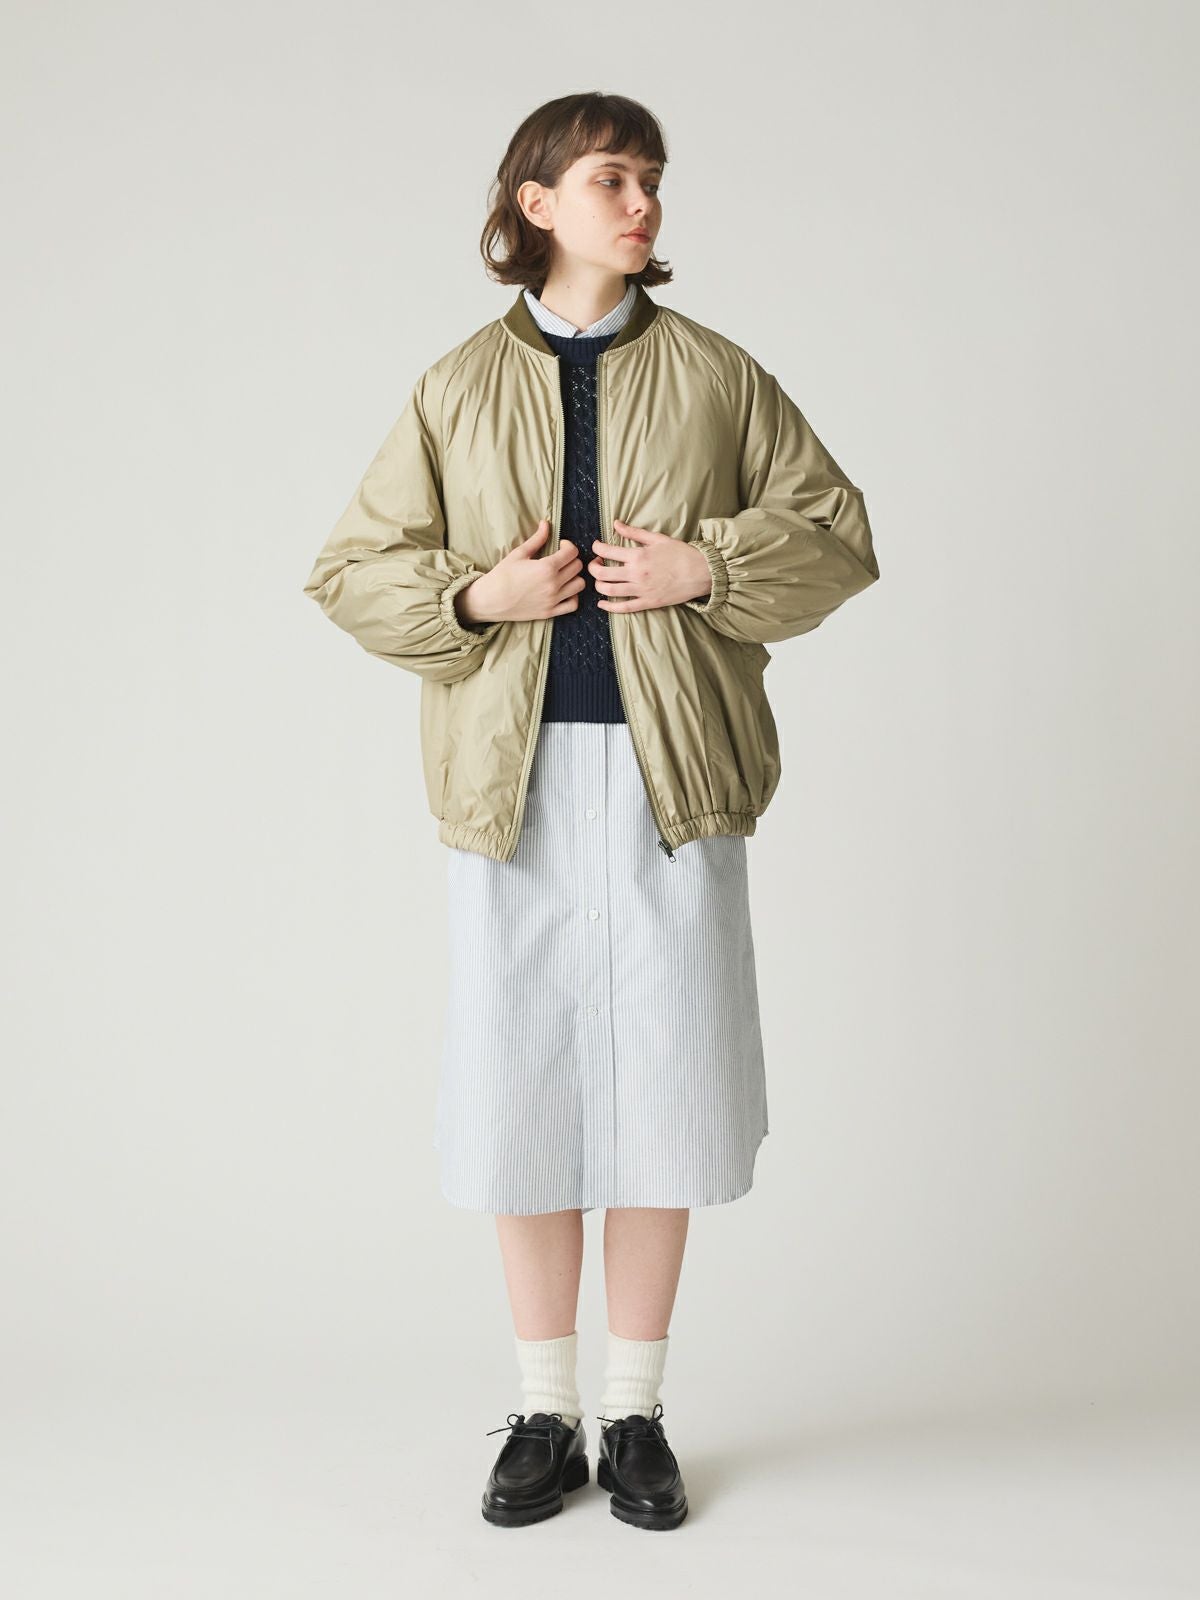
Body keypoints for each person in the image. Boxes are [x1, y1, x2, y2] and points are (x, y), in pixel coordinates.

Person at [302, 91, 879, 1531]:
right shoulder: (453, 387)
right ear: (537, 202)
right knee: (524, 1091)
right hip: (510, 791)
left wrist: (710, 570)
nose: (642, 203)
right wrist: (473, 597)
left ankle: (635, 1414)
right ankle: (542, 1413)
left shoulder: (718, 374)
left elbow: (836, 533)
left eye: (652, 179)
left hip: (676, 782)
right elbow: (350, 569)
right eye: (613, 178)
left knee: (668, 1087)